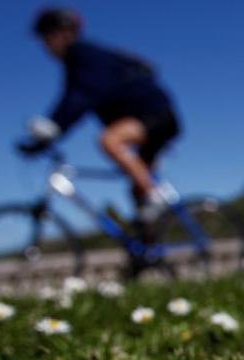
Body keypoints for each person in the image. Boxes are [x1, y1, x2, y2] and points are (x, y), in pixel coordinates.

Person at [16, 8, 181, 224]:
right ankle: (149, 252)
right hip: (149, 119)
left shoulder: (84, 56)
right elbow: (69, 104)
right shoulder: (78, 63)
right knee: (137, 195)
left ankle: (157, 195)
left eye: (47, 37)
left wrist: (52, 127)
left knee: (110, 140)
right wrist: (45, 138)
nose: (45, 45)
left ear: (62, 34)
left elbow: (80, 98)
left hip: (157, 116)